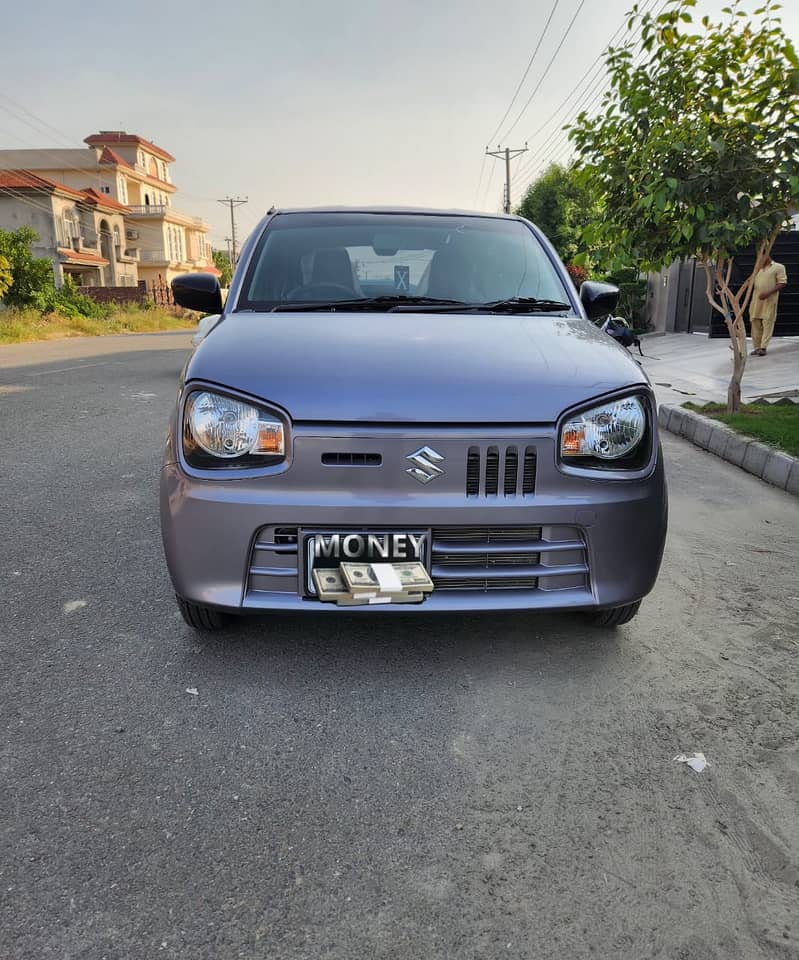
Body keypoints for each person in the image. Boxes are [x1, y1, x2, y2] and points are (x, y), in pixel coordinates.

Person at [749, 255, 788, 356]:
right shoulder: (758, 269)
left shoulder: (778, 267)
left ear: (767, 256)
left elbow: (782, 283)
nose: (758, 259)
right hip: (756, 301)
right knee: (755, 322)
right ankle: (756, 347)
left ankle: (763, 347)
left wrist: (767, 293)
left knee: (768, 322)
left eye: (761, 256)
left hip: (770, 300)